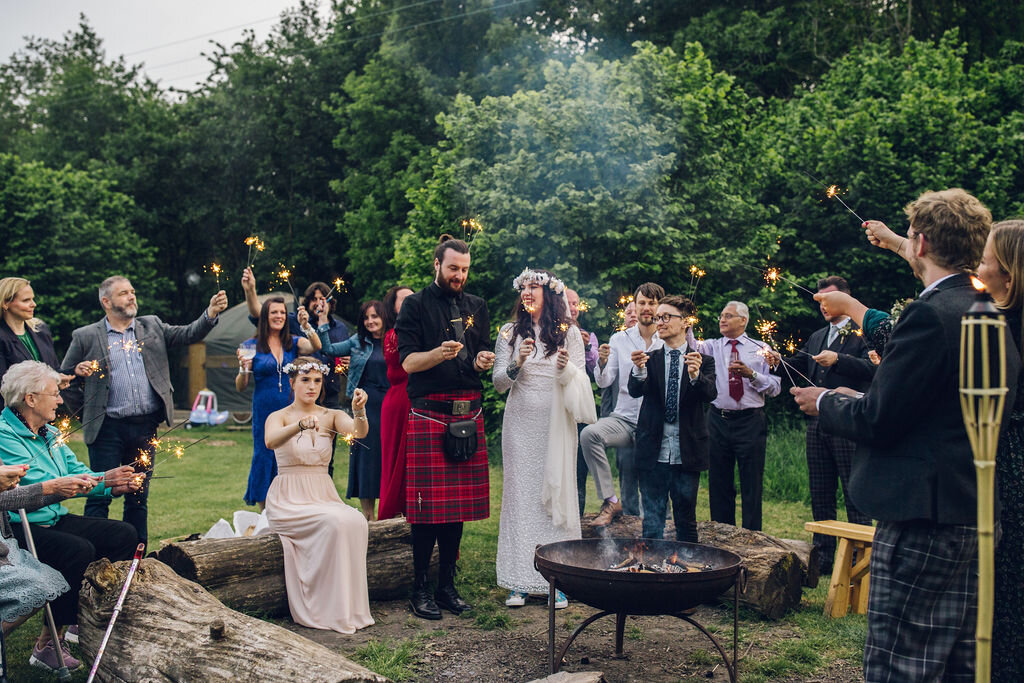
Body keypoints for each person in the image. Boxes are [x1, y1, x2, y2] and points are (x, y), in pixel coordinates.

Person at [791, 189, 1020, 681]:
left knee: (900, 666)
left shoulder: (929, 314)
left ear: (919, 243)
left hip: (923, 519)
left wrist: (828, 402)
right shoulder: (990, 312)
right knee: (956, 666)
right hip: (975, 514)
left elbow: (879, 420)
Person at [60, 276, 227, 546]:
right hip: (107, 429)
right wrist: (88, 414)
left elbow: (188, 333)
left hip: (145, 427)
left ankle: (136, 556)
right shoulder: (87, 336)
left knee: (138, 496)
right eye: (124, 293)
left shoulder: (152, 326)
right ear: (106, 301)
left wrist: (210, 313)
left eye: (132, 292)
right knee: (100, 494)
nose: (131, 296)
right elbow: (65, 378)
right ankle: (96, 555)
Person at [0, 361, 140, 670]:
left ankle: (86, 616)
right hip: (18, 527)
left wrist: (109, 481)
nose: (60, 400)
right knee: (77, 550)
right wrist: (56, 488)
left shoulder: (49, 433)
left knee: (124, 534)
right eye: (54, 394)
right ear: (31, 398)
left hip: (54, 518)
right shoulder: (3, 434)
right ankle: (48, 642)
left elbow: (77, 474)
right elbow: (16, 494)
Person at [395, 234, 495, 620]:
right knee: (424, 511)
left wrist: (482, 360)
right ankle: (420, 588)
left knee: (455, 512)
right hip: (429, 413)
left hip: (467, 412)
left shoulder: (476, 305)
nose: (459, 275)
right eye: (453, 268)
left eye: (465, 269)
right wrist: (437, 354)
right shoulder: (415, 307)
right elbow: (407, 365)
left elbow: (475, 358)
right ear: (436, 264)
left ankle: (447, 587)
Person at [494, 269, 593, 608]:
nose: (527, 291)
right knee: (521, 497)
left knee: (556, 497)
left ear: (549, 293)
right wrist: (517, 362)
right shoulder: (509, 332)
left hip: (555, 423)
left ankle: (558, 580)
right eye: (523, 286)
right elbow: (498, 383)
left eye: (534, 286)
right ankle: (519, 580)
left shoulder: (570, 334)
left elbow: (579, 381)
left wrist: (565, 368)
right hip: (519, 423)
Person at [263, 357, 374, 634]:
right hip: (289, 497)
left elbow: (359, 432)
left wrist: (359, 410)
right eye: (305, 380)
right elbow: (270, 441)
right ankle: (322, 606)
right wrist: (299, 426)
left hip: (322, 493)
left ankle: (348, 606)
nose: (312, 386)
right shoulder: (279, 416)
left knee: (356, 519)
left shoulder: (331, 415)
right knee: (334, 522)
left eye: (317, 381)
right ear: (292, 383)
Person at [775, 276, 875, 573]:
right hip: (817, 425)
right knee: (820, 490)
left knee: (853, 490)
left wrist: (839, 360)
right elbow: (801, 366)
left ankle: (861, 558)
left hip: (848, 423)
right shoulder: (817, 336)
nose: (823, 305)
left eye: (828, 299)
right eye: (819, 300)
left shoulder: (863, 333)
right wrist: (776, 362)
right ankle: (824, 556)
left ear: (845, 299)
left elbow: (874, 368)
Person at [627, 295, 716, 542]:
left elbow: (710, 394)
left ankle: (686, 573)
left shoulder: (702, 361)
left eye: (666, 317)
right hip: (652, 450)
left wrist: (696, 375)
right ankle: (650, 571)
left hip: (686, 450)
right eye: (658, 318)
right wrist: (638, 369)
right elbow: (635, 390)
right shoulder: (649, 359)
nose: (660, 322)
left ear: (685, 322)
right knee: (652, 520)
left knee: (686, 519)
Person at [690, 301, 780, 531]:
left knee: (751, 482)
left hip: (750, 420)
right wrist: (687, 321)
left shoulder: (761, 348)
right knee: (719, 481)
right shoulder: (712, 346)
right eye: (721, 315)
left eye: (728, 316)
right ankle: (723, 532)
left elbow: (775, 388)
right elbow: (689, 344)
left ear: (743, 320)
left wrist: (752, 375)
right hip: (718, 419)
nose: (722, 319)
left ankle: (752, 534)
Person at [582, 283, 664, 525]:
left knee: (657, 486)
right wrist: (602, 362)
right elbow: (604, 381)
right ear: (635, 307)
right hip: (624, 419)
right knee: (589, 435)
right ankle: (611, 499)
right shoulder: (620, 339)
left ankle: (665, 530)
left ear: (660, 306)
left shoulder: (667, 338)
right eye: (642, 303)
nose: (646, 308)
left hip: (657, 423)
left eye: (652, 303)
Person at [237, 297, 320, 510]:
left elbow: (315, 346)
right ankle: (265, 510)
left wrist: (305, 326)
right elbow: (241, 385)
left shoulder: (292, 342)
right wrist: (243, 367)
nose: (279, 317)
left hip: (290, 407)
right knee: (264, 454)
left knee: (291, 453)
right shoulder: (250, 345)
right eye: (274, 312)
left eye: (282, 313)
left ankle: (290, 504)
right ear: (265, 316)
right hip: (264, 408)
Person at [317, 300, 389, 521]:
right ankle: (368, 516)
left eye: (375, 316)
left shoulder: (395, 340)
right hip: (365, 405)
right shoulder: (358, 341)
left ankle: (391, 513)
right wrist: (322, 321)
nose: (370, 321)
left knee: (388, 457)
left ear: (384, 317)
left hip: (391, 404)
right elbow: (328, 349)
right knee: (366, 458)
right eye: (366, 317)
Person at [0, 277, 95, 408]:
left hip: (44, 415)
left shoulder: (41, 331)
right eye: (26, 300)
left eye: (32, 299)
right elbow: (4, 386)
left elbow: (52, 371)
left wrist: (73, 371)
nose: (34, 304)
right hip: (14, 417)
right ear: (5, 303)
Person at [378, 285, 415, 520]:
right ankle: (393, 514)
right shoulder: (395, 334)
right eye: (405, 300)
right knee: (396, 465)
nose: (412, 303)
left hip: (416, 400)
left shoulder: (417, 330)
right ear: (393, 307)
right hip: (400, 402)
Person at [566, 288, 599, 515]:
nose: (574, 308)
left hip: (578, 407)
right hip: (556, 407)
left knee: (579, 467)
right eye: (569, 303)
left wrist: (586, 347)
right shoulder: (549, 333)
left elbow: (595, 369)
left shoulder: (589, 335)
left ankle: (578, 516)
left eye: (576, 303)